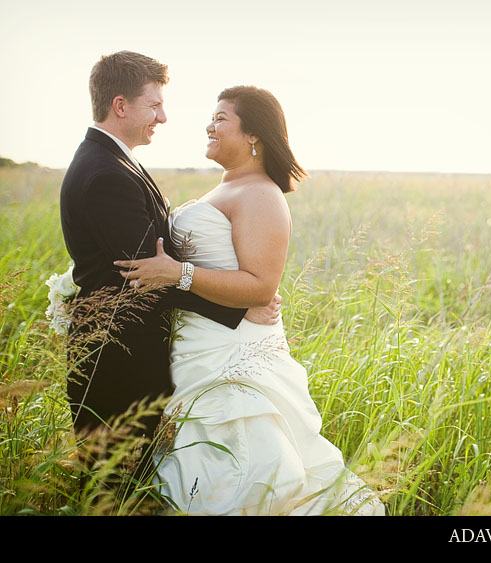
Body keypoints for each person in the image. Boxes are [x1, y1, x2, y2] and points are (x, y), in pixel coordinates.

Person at [114, 86, 385, 516]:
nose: (209, 125)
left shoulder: (261, 194)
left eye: (221, 118)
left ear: (254, 134)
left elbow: (260, 286)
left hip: (234, 353)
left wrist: (178, 273)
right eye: (212, 117)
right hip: (199, 346)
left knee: (246, 463)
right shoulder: (228, 186)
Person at [59, 52, 279, 473]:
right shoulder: (105, 174)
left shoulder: (115, 161)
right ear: (120, 106)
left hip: (136, 353)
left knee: (136, 480)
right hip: (117, 359)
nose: (163, 117)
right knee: (114, 486)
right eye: (154, 105)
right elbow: (145, 275)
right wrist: (237, 304)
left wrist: (241, 290)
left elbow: (158, 265)